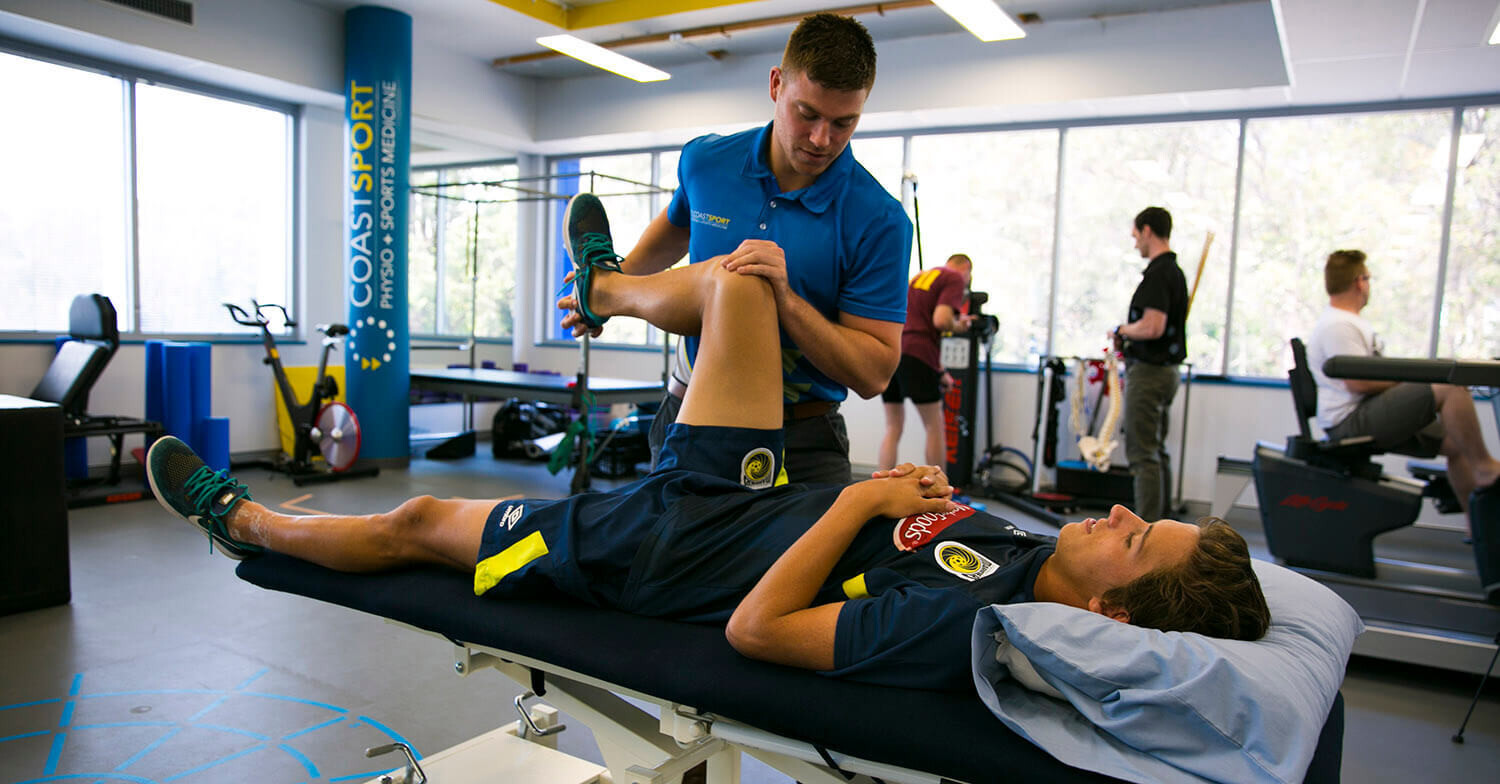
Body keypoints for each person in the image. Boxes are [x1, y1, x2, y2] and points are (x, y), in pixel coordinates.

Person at [150, 252, 1268, 693]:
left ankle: (246, 521)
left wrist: (866, 497)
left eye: (1135, 536)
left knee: (421, 519)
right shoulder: (1035, 551)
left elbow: (756, 631)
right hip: (745, 492)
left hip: (672, 551)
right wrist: (899, 500)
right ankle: (604, 287)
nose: (1115, 514)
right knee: (741, 283)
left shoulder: (969, 629)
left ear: (1114, 611)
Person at [559, 12, 913, 487]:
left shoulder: (879, 220)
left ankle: (605, 288)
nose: (821, 139)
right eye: (807, 114)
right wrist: (606, 291)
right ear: (776, 85)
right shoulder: (707, 162)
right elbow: (667, 240)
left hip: (803, 437)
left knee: (743, 284)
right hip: (688, 412)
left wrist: (787, 302)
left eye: (843, 122)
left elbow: (873, 376)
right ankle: (603, 286)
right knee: (727, 279)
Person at [1307, 249, 1500, 515]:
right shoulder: (1338, 325)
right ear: (1360, 282)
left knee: (1458, 443)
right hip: (1349, 421)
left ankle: (1476, 527)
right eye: (1368, 278)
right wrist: (1407, 379)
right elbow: (1358, 382)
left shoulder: (1347, 322)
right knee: (1450, 385)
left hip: (1362, 412)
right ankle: (1485, 467)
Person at [1111, 207, 1189, 523]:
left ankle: (1144, 529)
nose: (1135, 244)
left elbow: (1153, 326)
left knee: (1142, 453)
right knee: (1156, 450)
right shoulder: (1174, 272)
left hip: (1150, 372)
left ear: (1147, 231)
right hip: (1166, 372)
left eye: (1136, 236)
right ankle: (1163, 525)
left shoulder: (1159, 273)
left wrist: (1122, 330)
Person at [878, 253, 974, 471]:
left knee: (893, 427)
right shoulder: (955, 278)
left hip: (893, 352)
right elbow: (941, 320)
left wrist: (940, 372)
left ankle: (881, 483)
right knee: (934, 426)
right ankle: (940, 487)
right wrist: (959, 325)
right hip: (918, 355)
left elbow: (915, 324)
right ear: (966, 270)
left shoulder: (921, 277)